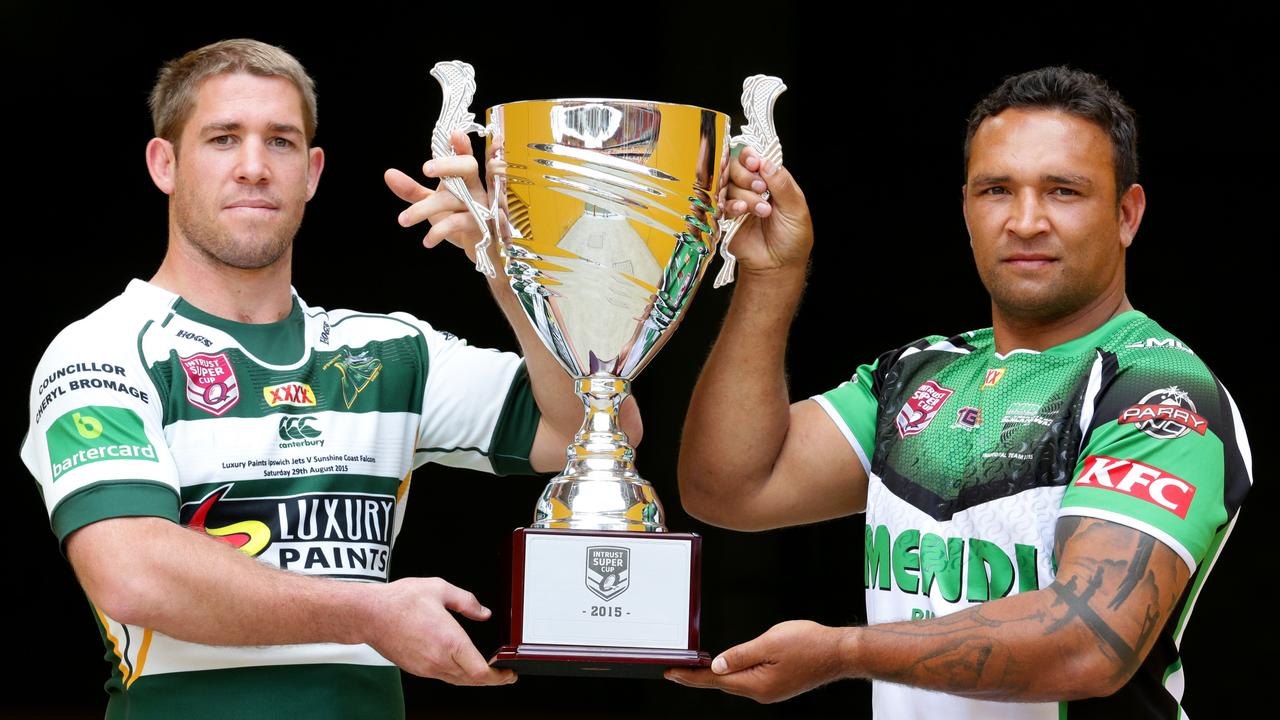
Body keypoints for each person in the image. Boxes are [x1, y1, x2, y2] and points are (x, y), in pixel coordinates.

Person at [20, 39, 637, 719]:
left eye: (280, 142)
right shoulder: (102, 349)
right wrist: (369, 613)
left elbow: (601, 430)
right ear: (164, 164)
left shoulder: (392, 351)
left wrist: (509, 267)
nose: (254, 168)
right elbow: (131, 572)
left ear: (312, 172)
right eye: (223, 139)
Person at [666, 66, 1250, 717]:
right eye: (997, 189)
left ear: (1126, 215)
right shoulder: (920, 374)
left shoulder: (1162, 391)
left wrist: (844, 652)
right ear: (966, 207)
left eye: (1063, 191)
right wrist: (771, 276)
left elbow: (1089, 643)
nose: (1026, 221)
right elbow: (730, 486)